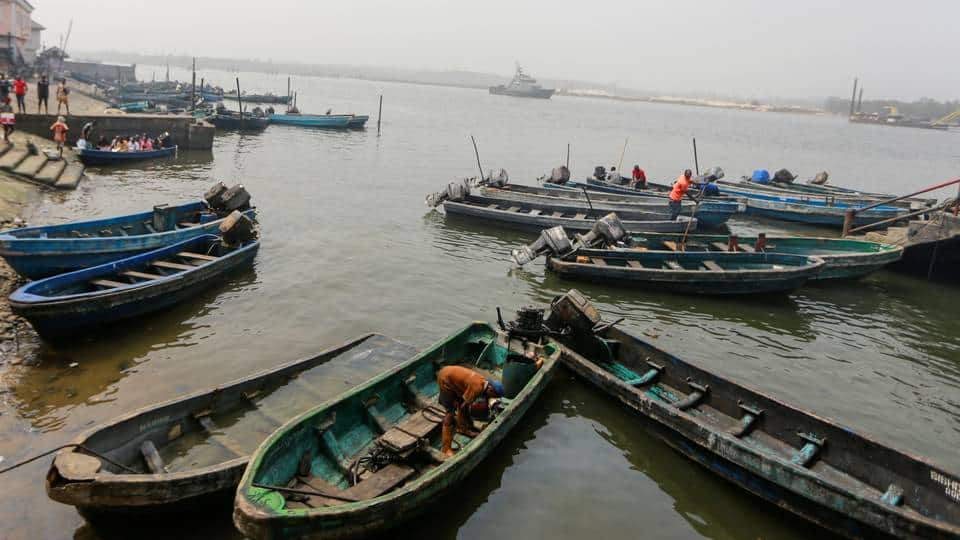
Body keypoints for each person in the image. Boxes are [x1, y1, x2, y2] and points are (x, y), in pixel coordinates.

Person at [437, 365, 505, 457]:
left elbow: (465, 403)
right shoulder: (477, 387)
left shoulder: (484, 383)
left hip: (454, 379)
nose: (491, 397)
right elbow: (464, 406)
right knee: (450, 414)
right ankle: (446, 449)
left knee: (462, 403)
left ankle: (462, 429)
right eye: (493, 395)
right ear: (490, 389)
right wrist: (471, 420)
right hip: (445, 378)